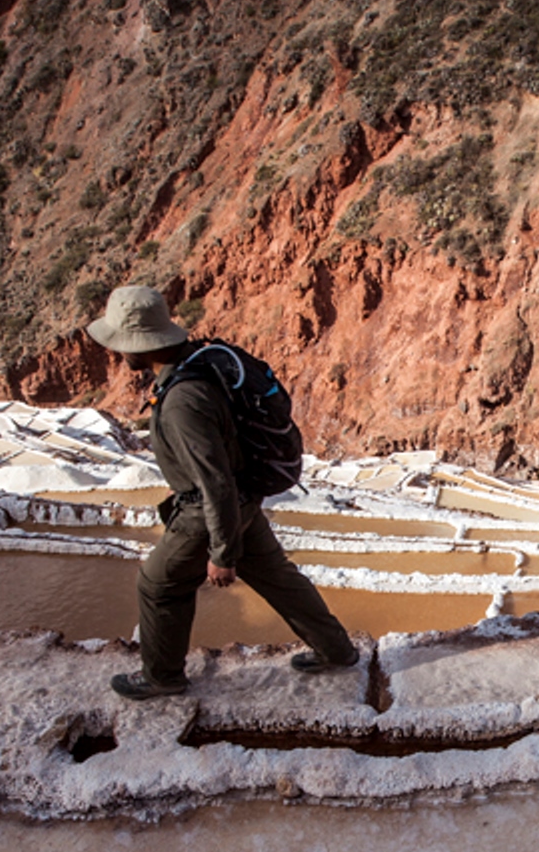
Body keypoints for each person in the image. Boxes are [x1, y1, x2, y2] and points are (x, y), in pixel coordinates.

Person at [86, 286, 359, 699]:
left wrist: (221, 554)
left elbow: (213, 482)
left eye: (122, 343)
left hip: (210, 511)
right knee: (280, 579)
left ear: (142, 344)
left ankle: (163, 677)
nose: (118, 352)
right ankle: (336, 650)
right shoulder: (199, 365)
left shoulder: (181, 400)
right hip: (243, 500)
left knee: (158, 585)